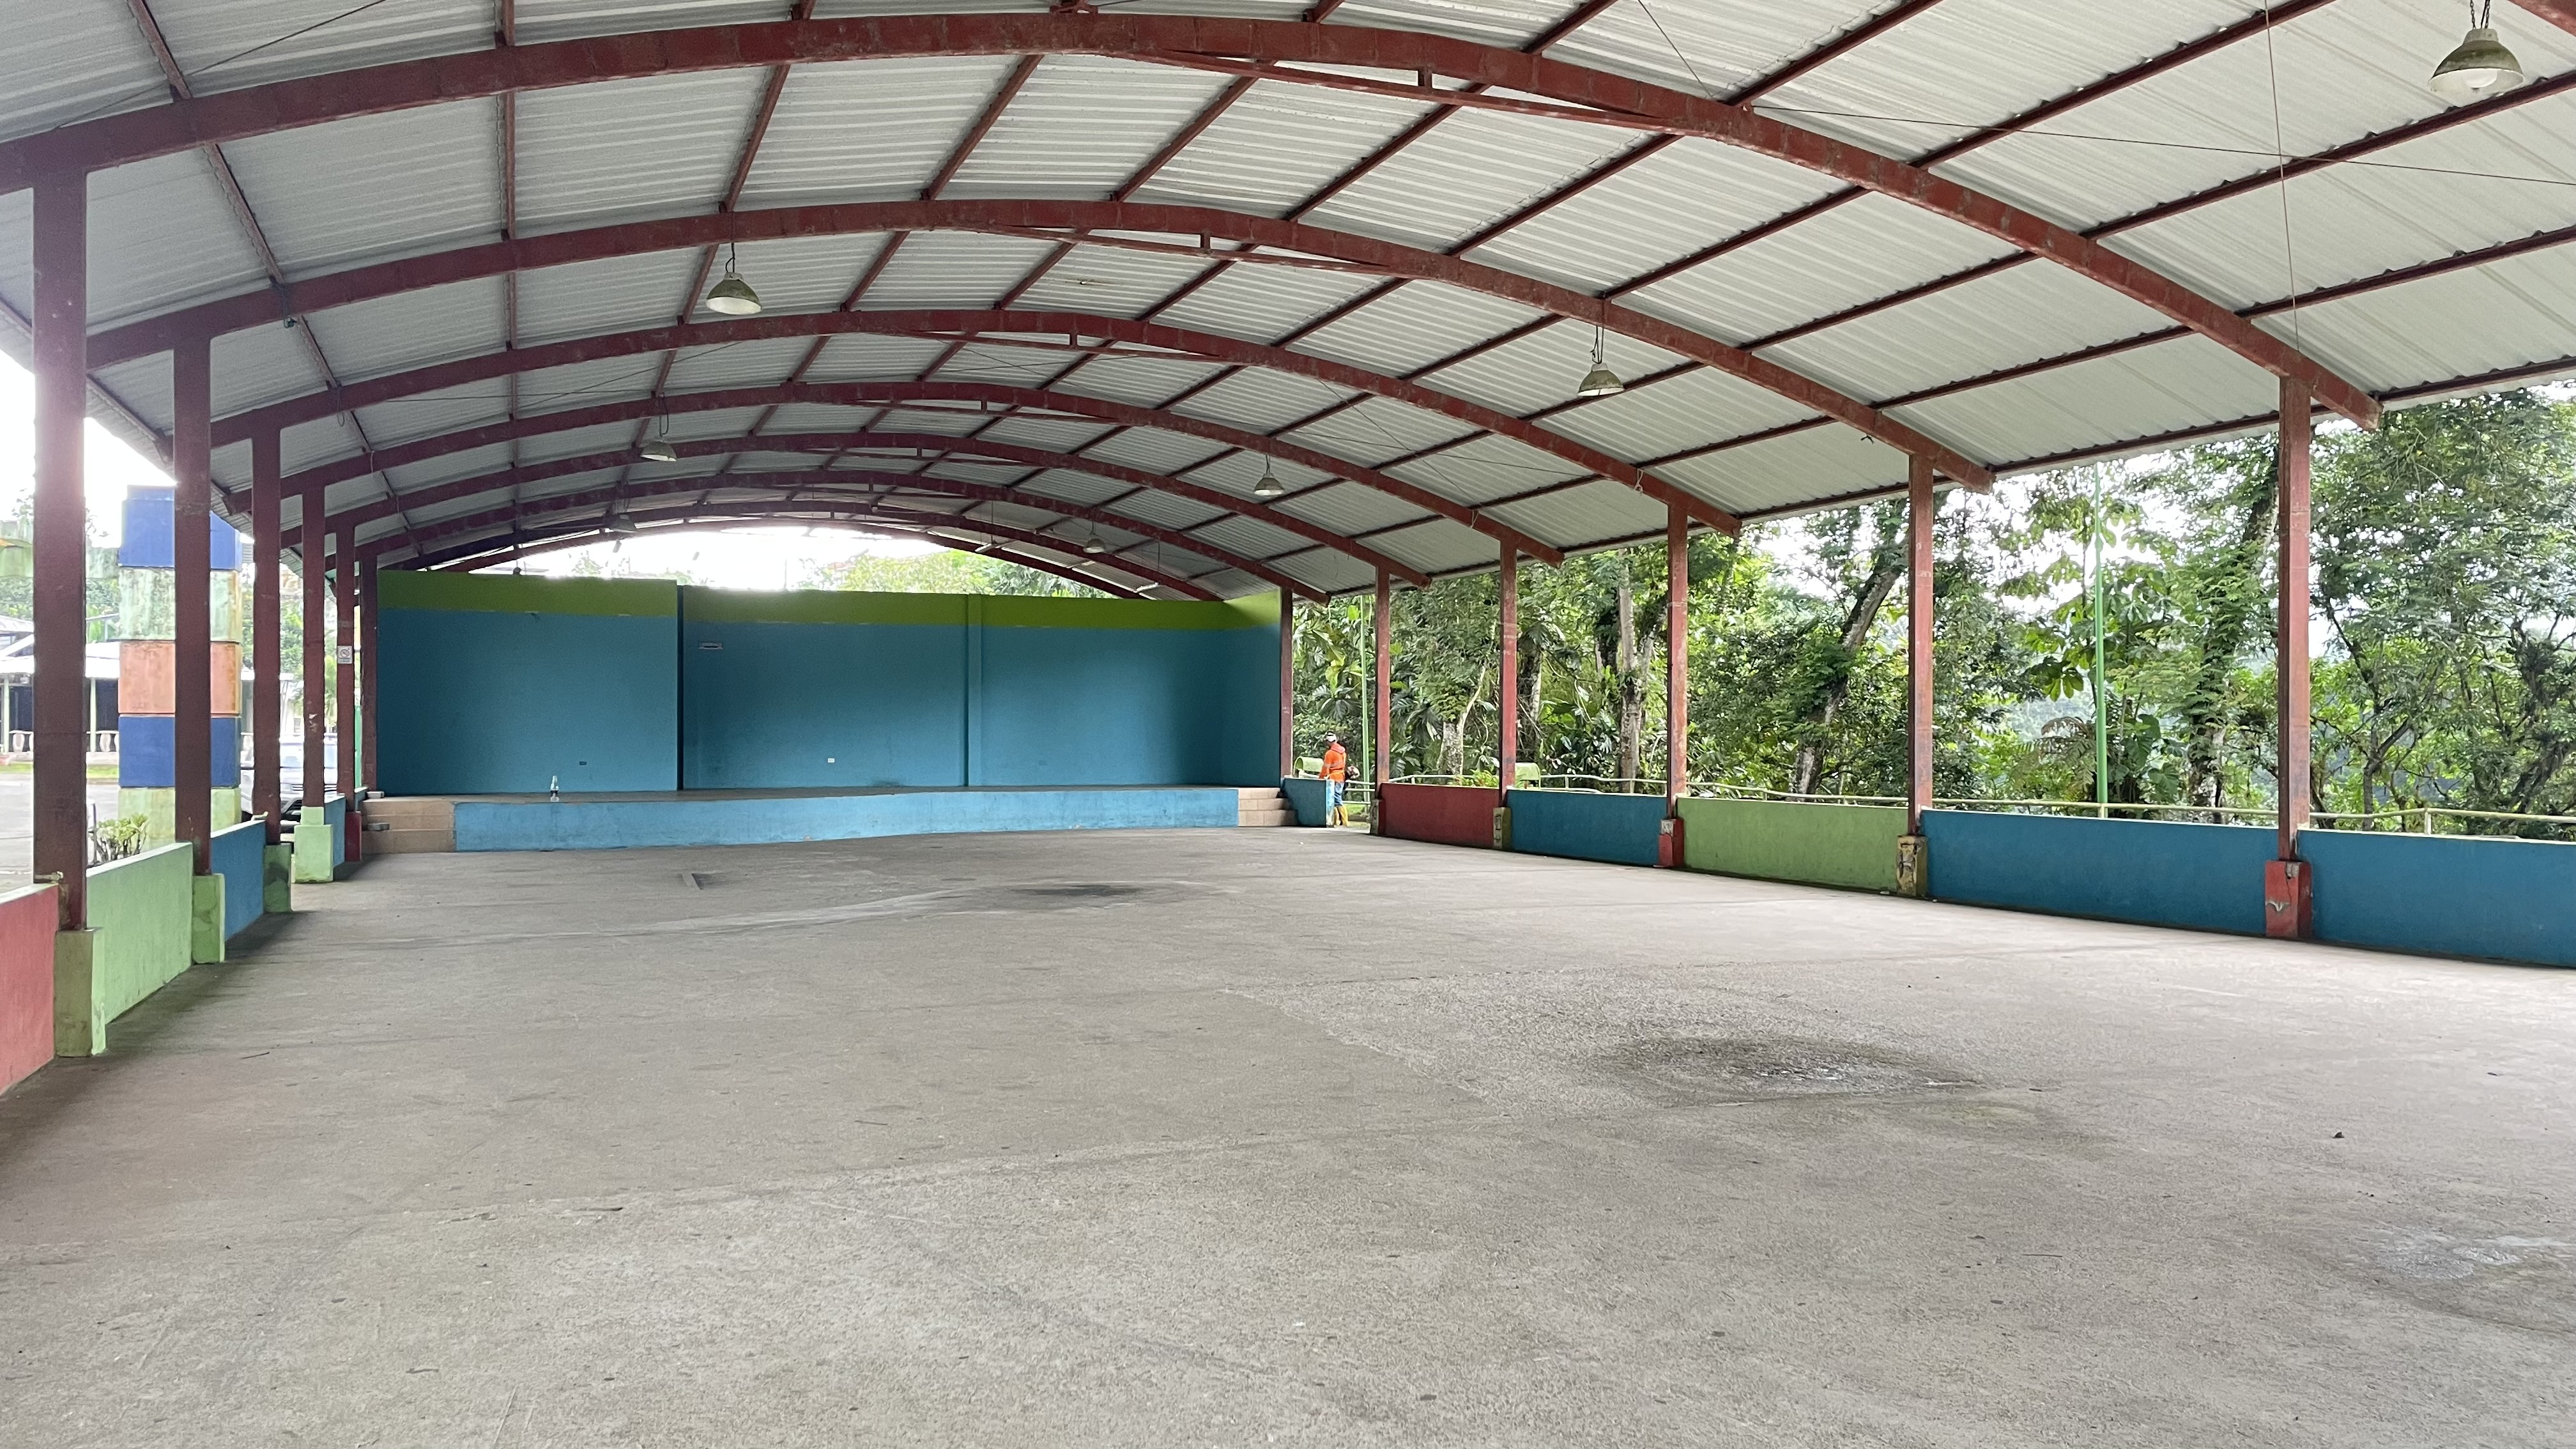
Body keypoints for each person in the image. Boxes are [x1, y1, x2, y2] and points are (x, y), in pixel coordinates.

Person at [1320, 733, 1349, 827]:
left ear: (1328, 742)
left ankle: (1341, 821)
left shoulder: (1330, 753)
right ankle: (1341, 821)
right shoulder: (1343, 752)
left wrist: (1321, 778)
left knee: (1335, 798)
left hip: (1333, 779)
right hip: (1341, 777)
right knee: (1337, 796)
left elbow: (1326, 768)